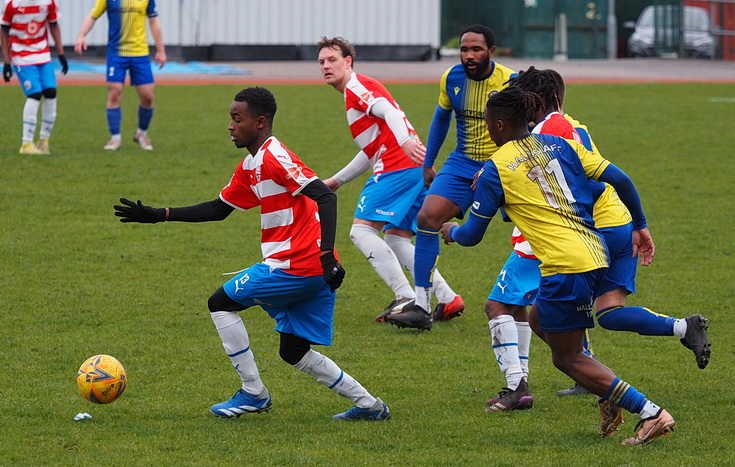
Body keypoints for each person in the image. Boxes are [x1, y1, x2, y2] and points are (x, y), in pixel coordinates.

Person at [113, 87, 390, 421]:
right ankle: (369, 405)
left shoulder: (276, 157)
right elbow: (218, 209)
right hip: (311, 268)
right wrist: (160, 214)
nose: (230, 126)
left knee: (220, 303)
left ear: (260, 122)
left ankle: (253, 393)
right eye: (230, 118)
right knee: (293, 351)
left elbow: (325, 197)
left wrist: (327, 255)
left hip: (296, 265)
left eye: (237, 118)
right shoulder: (251, 165)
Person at [441, 86, 675, 445]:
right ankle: (608, 393)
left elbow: (473, 234)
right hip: (596, 254)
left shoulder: (496, 169)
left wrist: (452, 231)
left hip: (566, 265)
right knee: (537, 319)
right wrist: (639, 224)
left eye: (488, 123)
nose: (487, 129)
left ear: (500, 124)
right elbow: (620, 180)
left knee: (566, 359)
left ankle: (650, 412)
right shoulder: (560, 145)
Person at [487, 67, 711, 403]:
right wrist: (638, 223)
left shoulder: (549, 131)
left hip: (587, 229)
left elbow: (562, 183)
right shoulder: (573, 123)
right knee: (608, 312)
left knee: (508, 306)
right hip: (618, 220)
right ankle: (683, 327)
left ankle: (563, 380)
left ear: (532, 103)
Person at [316, 36, 463, 326]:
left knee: (360, 232)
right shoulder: (354, 92)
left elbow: (390, 111)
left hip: (397, 167)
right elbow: (371, 150)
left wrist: (405, 140)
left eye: (332, 60)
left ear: (348, 62)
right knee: (396, 237)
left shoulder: (357, 86)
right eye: (321, 61)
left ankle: (405, 296)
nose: (325, 66)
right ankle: (447, 299)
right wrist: (337, 180)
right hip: (411, 167)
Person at [386, 24, 515, 330]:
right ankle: (422, 306)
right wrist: (429, 162)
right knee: (427, 218)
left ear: (491, 52)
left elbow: (522, 132)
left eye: (476, 50)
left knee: (531, 232)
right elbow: (442, 117)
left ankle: (550, 297)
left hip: (504, 163)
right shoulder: (452, 78)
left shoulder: (510, 82)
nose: (469, 56)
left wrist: (494, 169)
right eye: (464, 49)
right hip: (461, 163)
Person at [74, 0, 166, 151]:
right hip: (116, 54)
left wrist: (160, 50)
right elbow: (93, 15)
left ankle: (141, 134)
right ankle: (115, 138)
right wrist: (81, 36)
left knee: (148, 97)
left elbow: (154, 20)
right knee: (115, 92)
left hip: (140, 54)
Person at [1, 0, 68, 155]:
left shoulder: (48, 2)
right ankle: (26, 143)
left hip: (42, 55)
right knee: (35, 94)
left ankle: (43, 141)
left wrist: (61, 52)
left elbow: (53, 24)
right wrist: (6, 62)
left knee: (51, 92)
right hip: (21, 55)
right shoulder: (12, 3)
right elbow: (4, 30)